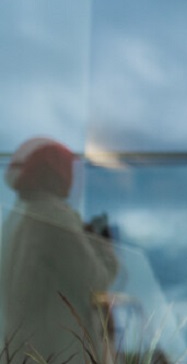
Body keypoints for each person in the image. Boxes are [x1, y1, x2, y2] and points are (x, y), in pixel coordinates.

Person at [1, 137, 119, 363]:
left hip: (25, 352)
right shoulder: (53, 216)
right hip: (59, 354)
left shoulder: (15, 219)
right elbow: (96, 281)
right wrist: (102, 243)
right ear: (55, 171)